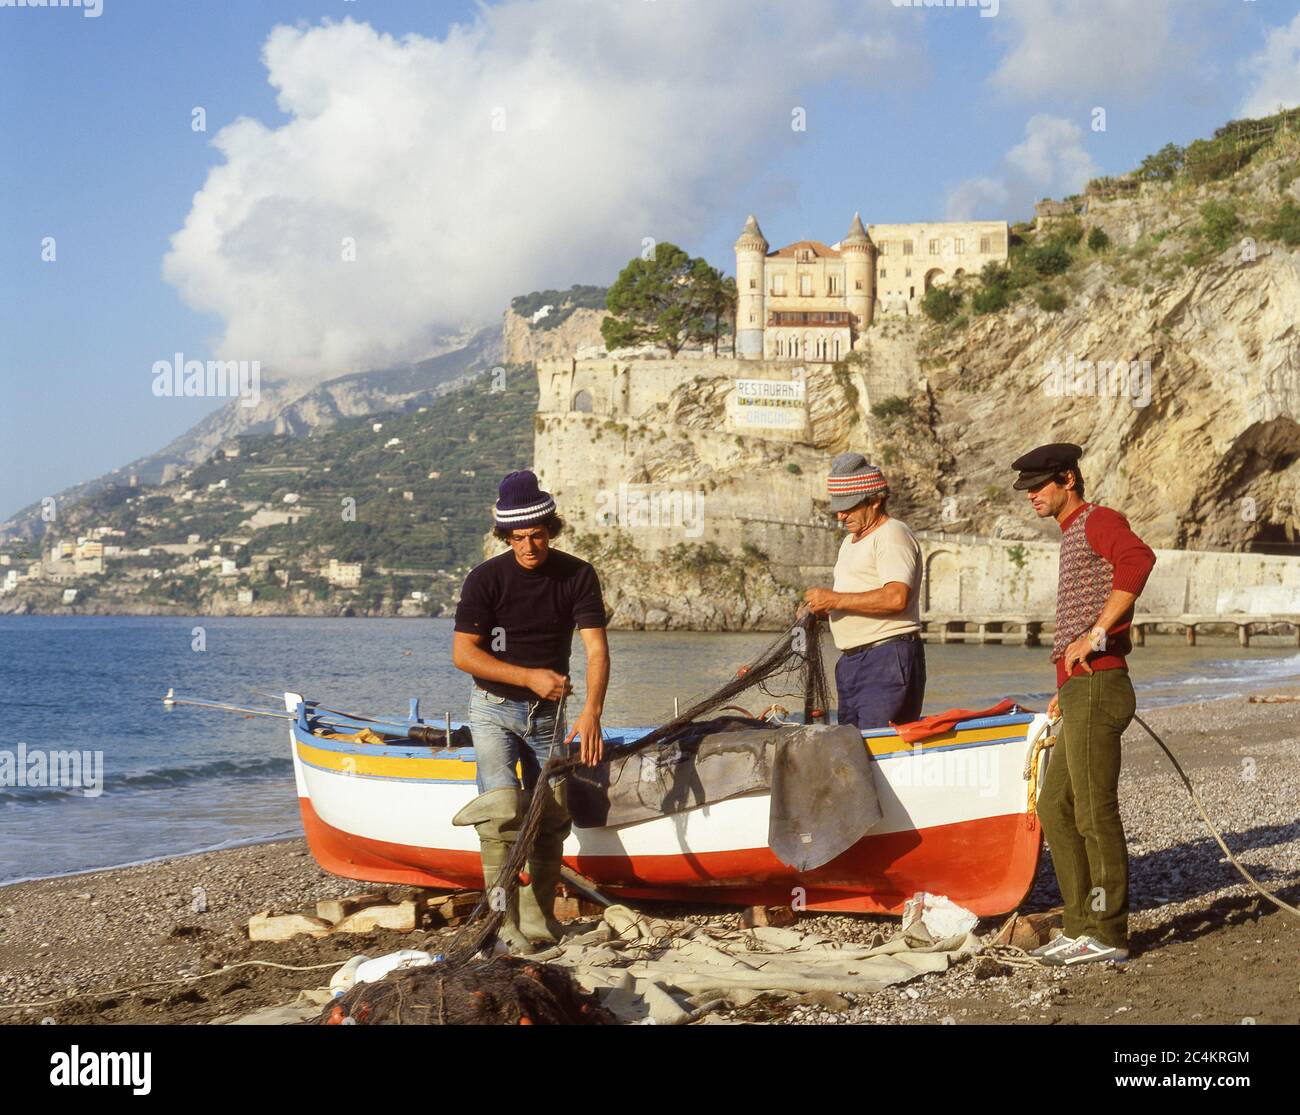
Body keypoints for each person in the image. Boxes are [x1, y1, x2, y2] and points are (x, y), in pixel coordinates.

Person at [450, 470, 610, 953]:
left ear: (551, 529)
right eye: (517, 538)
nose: (528, 547)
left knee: (551, 816)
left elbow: (597, 651)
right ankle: (503, 930)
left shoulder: (578, 575)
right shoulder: (486, 579)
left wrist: (593, 714)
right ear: (505, 536)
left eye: (536, 535)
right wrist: (527, 676)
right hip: (493, 709)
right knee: (501, 814)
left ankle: (538, 929)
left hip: (551, 716)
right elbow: (464, 655)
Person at [1011, 443, 1156, 968]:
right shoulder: (1072, 533)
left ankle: (1111, 934)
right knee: (1054, 805)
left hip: (1101, 685)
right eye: (1027, 489)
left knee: (1095, 810)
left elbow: (1139, 560)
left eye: (1039, 486)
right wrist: (1064, 681)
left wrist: (1096, 636)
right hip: (1079, 689)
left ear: (1067, 479)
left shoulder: (1097, 519)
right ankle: (1080, 926)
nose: (1031, 496)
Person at [803, 453, 926, 729]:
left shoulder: (892, 534)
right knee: (853, 748)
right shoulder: (849, 542)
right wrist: (822, 610)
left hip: (886, 660)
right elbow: (854, 601)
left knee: (878, 750)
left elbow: (897, 598)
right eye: (838, 507)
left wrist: (833, 598)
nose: (840, 515)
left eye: (849, 507)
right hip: (852, 664)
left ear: (875, 499)